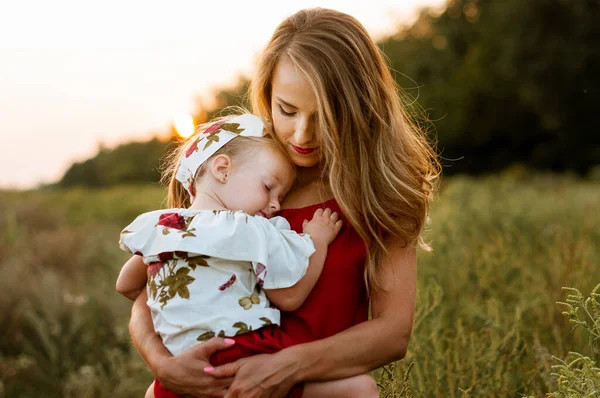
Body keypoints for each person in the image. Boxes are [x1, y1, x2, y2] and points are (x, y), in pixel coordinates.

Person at [125, 7, 440, 398]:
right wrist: (163, 364)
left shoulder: (381, 195)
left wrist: (284, 368)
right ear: (267, 95)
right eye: (287, 111)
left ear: (361, 109)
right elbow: (147, 296)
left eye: (326, 116)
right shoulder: (241, 179)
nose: (303, 135)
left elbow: (393, 333)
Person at [116, 113, 377, 398]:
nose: (275, 205)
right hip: (240, 359)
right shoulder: (248, 229)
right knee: (360, 388)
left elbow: (126, 285)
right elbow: (289, 297)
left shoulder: (163, 227)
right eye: (268, 187)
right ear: (223, 169)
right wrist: (318, 241)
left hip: (182, 373)